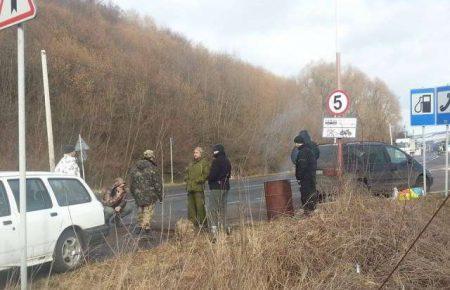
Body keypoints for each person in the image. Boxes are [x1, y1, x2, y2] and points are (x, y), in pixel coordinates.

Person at [129, 149, 163, 234]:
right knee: (148, 210)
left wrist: (134, 193)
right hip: (150, 194)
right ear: (151, 157)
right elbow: (157, 184)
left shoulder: (135, 168)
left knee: (140, 209)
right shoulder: (152, 168)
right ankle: (146, 228)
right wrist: (160, 196)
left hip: (138, 194)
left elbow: (131, 183)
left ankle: (139, 226)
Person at [207, 144, 231, 235]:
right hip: (226, 186)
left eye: (214, 150)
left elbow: (212, 175)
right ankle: (225, 227)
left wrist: (208, 178)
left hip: (217, 187)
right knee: (223, 208)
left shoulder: (216, 161)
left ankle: (214, 228)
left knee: (213, 208)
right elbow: (229, 174)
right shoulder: (227, 160)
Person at [185, 147, 210, 228]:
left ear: (201, 153)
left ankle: (204, 224)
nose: (195, 154)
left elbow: (206, 175)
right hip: (190, 188)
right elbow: (187, 173)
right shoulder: (191, 163)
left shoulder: (204, 163)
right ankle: (193, 224)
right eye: (194, 152)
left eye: (197, 152)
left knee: (200, 207)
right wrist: (187, 180)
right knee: (191, 208)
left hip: (198, 189)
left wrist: (198, 180)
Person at [294, 131, 318, 215]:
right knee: (311, 191)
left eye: (295, 143)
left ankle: (308, 210)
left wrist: (299, 177)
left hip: (306, 177)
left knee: (306, 193)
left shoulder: (302, 152)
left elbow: (302, 166)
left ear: (297, 143)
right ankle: (312, 209)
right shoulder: (308, 150)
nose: (295, 145)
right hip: (311, 175)